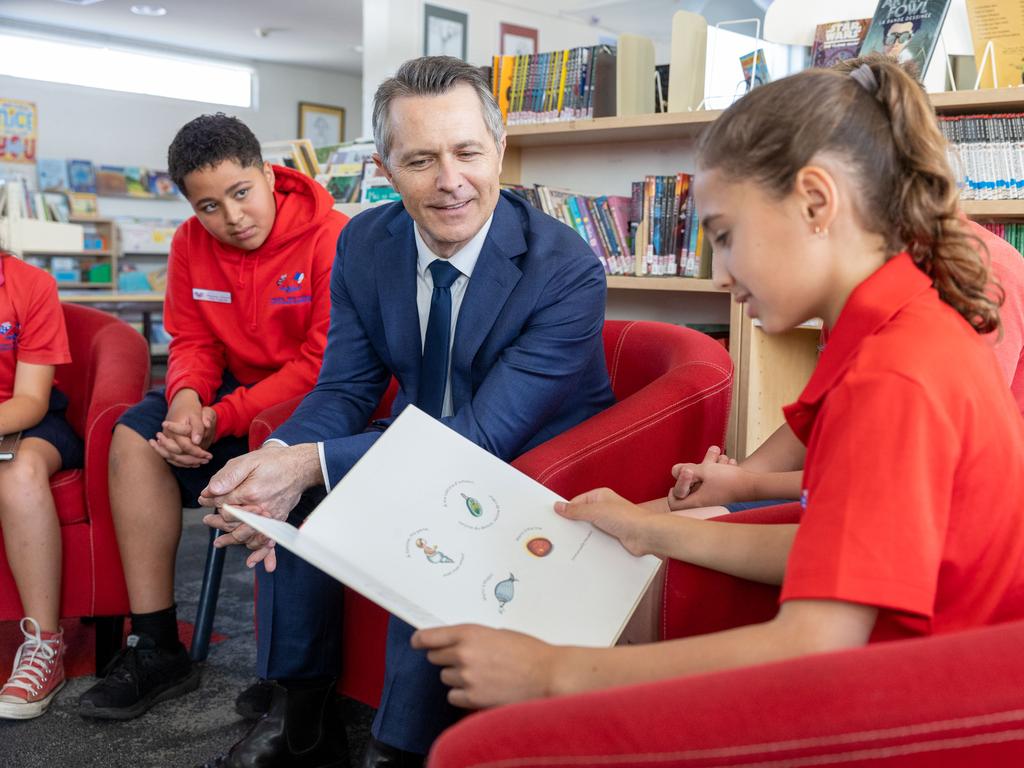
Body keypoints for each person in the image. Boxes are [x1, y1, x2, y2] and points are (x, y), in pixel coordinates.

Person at [410, 55, 1024, 760]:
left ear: (817, 204)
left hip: (922, 706)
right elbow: (840, 551)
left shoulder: (895, 375)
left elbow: (814, 647)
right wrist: (650, 528)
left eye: (727, 236)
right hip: (923, 669)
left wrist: (552, 674)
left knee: (481, 749)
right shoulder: (903, 326)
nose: (724, 275)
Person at [195, 56, 614, 768]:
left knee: (420, 503)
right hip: (422, 432)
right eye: (421, 159)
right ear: (385, 168)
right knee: (292, 490)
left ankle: (400, 745)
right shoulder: (364, 244)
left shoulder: (566, 270)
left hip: (531, 460)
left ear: (501, 149)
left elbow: (483, 436)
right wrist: (274, 467)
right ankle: (303, 714)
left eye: (468, 153)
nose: (451, 181)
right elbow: (345, 391)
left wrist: (307, 462)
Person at [77, 113, 347, 720]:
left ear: (267, 174)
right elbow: (193, 339)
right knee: (132, 437)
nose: (232, 217)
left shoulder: (332, 237)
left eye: (241, 192)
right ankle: (154, 645)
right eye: (208, 206)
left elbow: (318, 365)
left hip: (309, 401)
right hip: (225, 396)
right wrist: (183, 404)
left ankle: (291, 673)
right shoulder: (188, 244)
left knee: (287, 469)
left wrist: (218, 417)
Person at [0, 253, 81, 720]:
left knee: (20, 470)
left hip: (31, 422)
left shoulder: (31, 285)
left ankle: (43, 647)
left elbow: (30, 400)